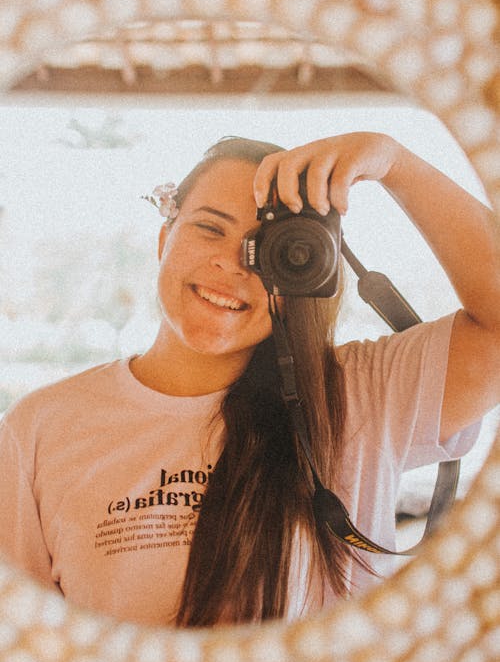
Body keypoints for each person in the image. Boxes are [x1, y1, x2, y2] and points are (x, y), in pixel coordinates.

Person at [0, 133, 498, 628]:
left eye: (266, 247)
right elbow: (27, 642)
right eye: (209, 229)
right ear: (162, 239)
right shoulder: (39, 429)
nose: (233, 264)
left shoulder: (356, 396)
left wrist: (396, 161)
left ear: (303, 271)